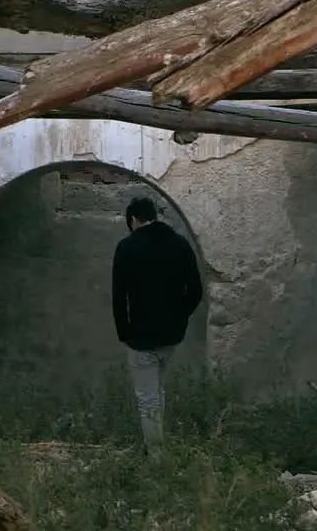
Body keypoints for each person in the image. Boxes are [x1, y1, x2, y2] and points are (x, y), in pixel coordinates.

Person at [111, 196, 204, 457]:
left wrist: (124, 333)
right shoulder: (180, 244)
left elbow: (119, 296)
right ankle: (155, 446)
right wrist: (180, 316)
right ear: (155, 215)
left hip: (140, 337)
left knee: (147, 399)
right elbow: (196, 290)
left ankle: (157, 459)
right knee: (157, 392)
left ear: (133, 220)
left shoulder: (127, 247)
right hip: (171, 336)